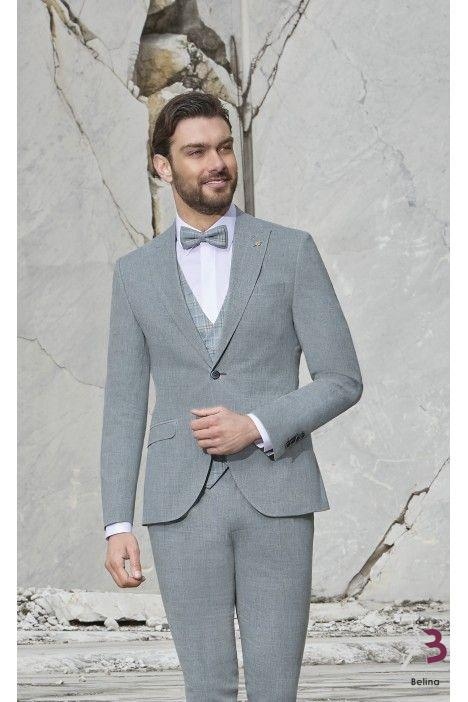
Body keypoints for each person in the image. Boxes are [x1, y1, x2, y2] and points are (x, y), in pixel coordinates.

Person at [100, 91, 363, 701]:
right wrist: (117, 522)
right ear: (163, 166)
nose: (216, 163)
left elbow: (342, 377)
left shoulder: (291, 251)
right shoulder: (134, 273)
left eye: (224, 148)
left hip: (278, 492)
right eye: (196, 152)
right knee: (206, 689)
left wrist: (258, 424)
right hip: (179, 503)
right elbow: (123, 406)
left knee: (275, 690)